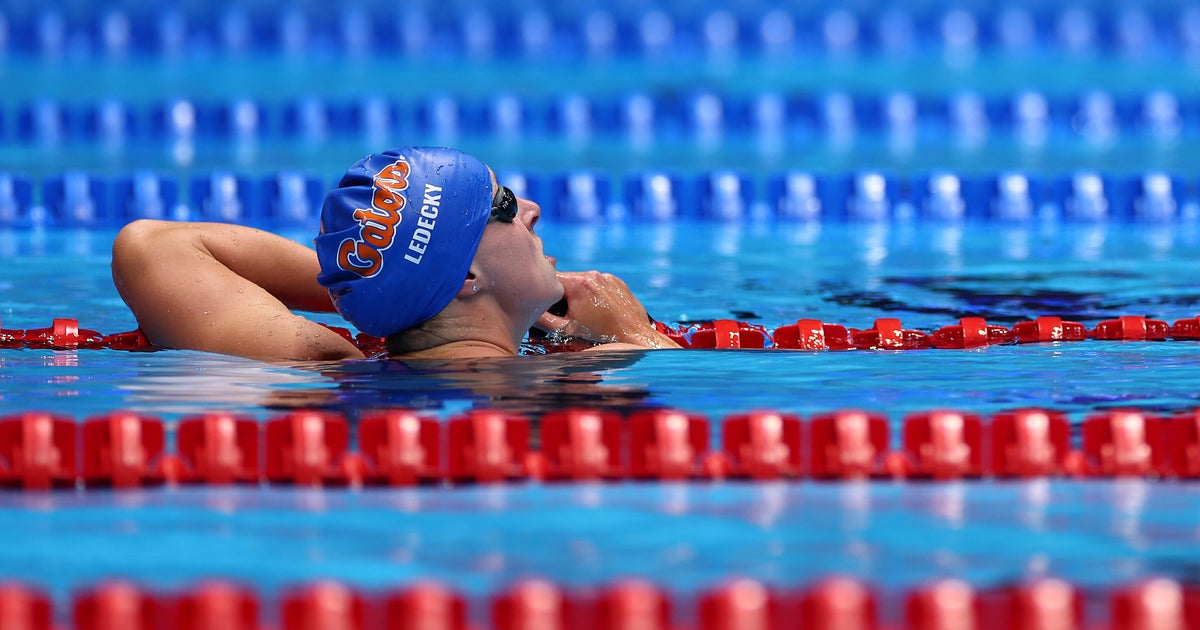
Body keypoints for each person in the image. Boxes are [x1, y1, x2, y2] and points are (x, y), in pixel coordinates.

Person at [111, 146, 681, 361]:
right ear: (469, 276)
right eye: (501, 205)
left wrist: (377, 282)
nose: (530, 207)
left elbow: (154, 247)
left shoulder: (328, 369)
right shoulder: (565, 388)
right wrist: (637, 339)